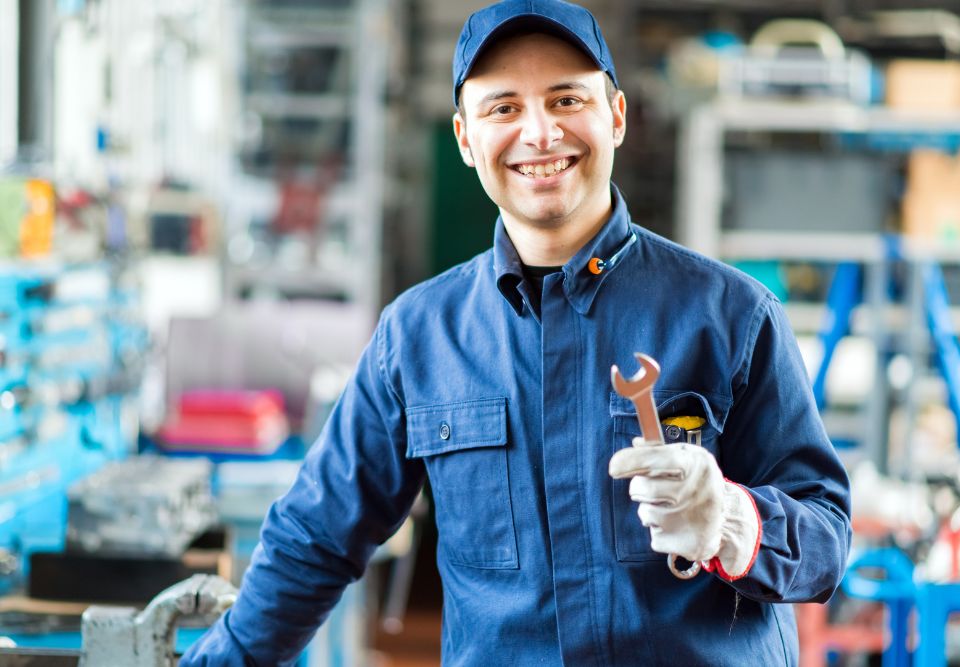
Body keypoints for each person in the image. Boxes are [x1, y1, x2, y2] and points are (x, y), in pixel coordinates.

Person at [181, 0, 851, 664]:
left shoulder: (731, 314)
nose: (539, 133)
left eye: (566, 100)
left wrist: (735, 523)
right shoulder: (418, 337)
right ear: (466, 138)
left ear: (615, 117)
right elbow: (315, 539)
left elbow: (825, 540)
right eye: (504, 108)